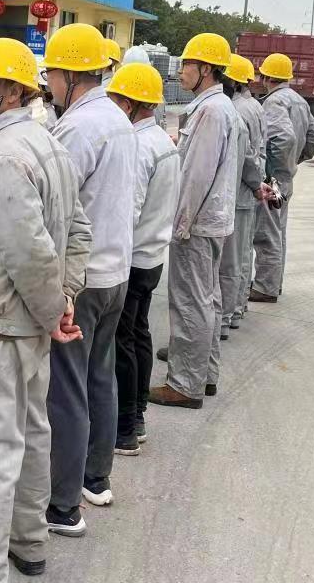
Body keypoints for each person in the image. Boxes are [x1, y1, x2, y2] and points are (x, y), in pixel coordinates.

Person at [0, 38, 91, 583]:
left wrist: (55, 310)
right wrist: (63, 303)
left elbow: (30, 254)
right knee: (31, 437)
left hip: (1, 326)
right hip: (28, 323)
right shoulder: (47, 145)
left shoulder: (5, 157)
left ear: (11, 91)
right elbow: (78, 234)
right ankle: (28, 543)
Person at [37, 24, 135, 533]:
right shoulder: (117, 117)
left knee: (67, 389)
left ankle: (62, 504)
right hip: (115, 271)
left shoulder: (78, 129)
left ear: (71, 75)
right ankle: (96, 478)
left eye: (53, 73)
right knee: (100, 376)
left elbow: (54, 206)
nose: (49, 84)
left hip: (84, 278)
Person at [148, 33, 239, 409]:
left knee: (190, 303)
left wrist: (180, 225)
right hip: (210, 220)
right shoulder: (217, 106)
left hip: (197, 223)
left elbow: (196, 176)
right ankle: (204, 374)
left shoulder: (211, 112)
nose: (181, 70)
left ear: (206, 69)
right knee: (207, 300)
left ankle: (185, 385)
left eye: (187, 64)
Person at [108, 62, 180, 454]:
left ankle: (124, 428)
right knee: (139, 335)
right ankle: (136, 416)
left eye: (117, 100)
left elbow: (128, 210)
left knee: (122, 342)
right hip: (152, 256)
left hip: (132, 257)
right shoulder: (164, 143)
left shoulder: (137, 147)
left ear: (131, 104)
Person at [249, 53, 314, 303]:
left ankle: (265, 287)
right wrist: (294, 161)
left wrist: (271, 171)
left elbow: (283, 138)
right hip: (285, 179)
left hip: (274, 180)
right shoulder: (299, 101)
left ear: (266, 77)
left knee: (266, 234)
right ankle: (273, 283)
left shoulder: (274, 102)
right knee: (278, 232)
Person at [219, 55, 270, 336]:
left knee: (230, 261)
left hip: (240, 192)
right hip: (249, 190)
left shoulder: (236, 110)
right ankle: (237, 308)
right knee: (242, 255)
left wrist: (253, 182)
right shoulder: (255, 106)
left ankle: (225, 316)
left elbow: (246, 155)